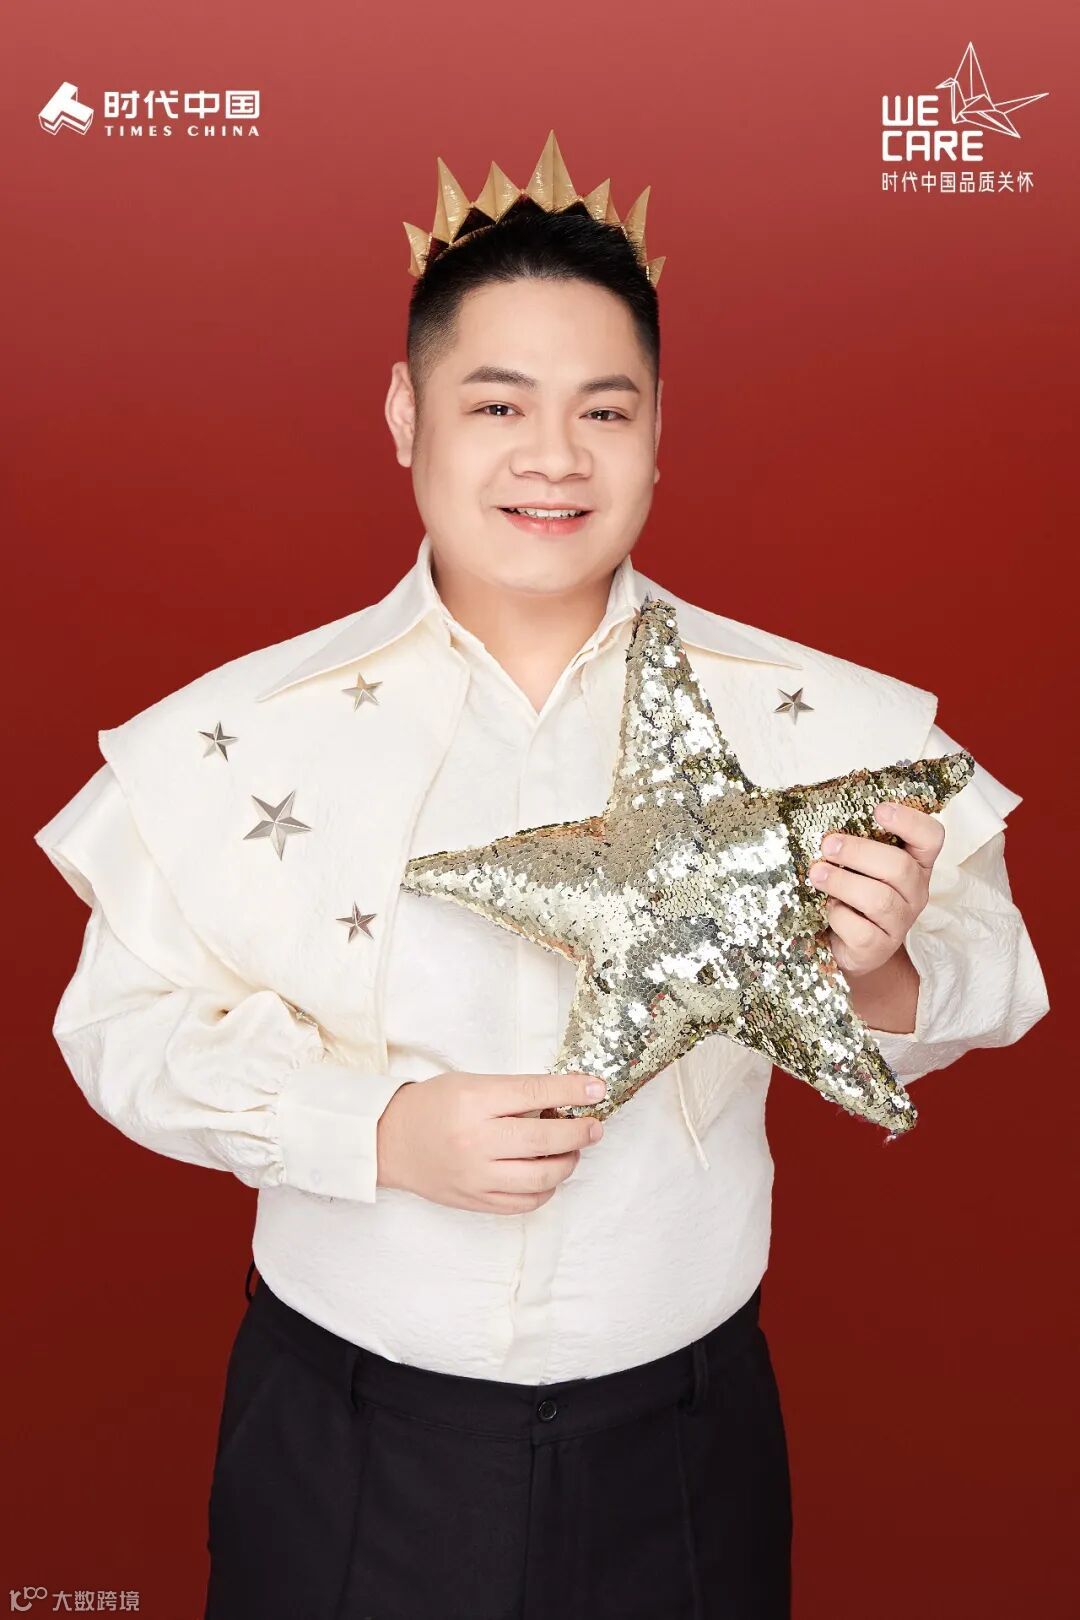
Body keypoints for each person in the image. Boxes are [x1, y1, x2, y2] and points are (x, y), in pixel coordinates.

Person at [33, 131, 1049, 1620]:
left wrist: (882, 967)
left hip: (685, 1444)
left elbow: (994, 975)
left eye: (604, 410)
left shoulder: (821, 724)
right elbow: (117, 1030)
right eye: (498, 404)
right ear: (407, 414)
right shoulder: (240, 730)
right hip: (348, 1440)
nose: (554, 456)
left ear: (658, 432)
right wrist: (376, 1131)